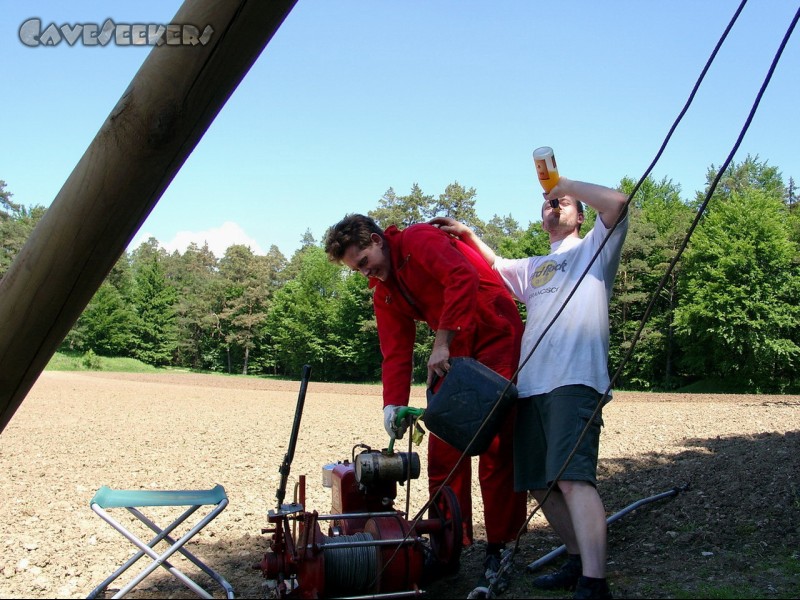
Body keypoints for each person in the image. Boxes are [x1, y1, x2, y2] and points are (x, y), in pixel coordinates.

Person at [430, 176, 628, 600]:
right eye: (548, 205)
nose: (554, 208)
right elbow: (496, 265)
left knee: (574, 479)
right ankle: (576, 561)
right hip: (532, 386)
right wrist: (467, 233)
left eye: (564, 204)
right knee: (538, 481)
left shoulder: (595, 247)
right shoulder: (536, 268)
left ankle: (595, 583)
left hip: (575, 381)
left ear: (579, 216)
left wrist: (563, 182)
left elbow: (617, 202)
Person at [324, 213, 528, 589]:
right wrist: (392, 405)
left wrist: (441, 342)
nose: (368, 273)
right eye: (358, 270)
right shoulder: (383, 289)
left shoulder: (418, 240)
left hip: (494, 330)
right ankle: (447, 547)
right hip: (454, 347)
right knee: (443, 452)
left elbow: (461, 278)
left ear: (376, 238)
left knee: (497, 445)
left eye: (365, 262)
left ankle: (500, 546)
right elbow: (396, 351)